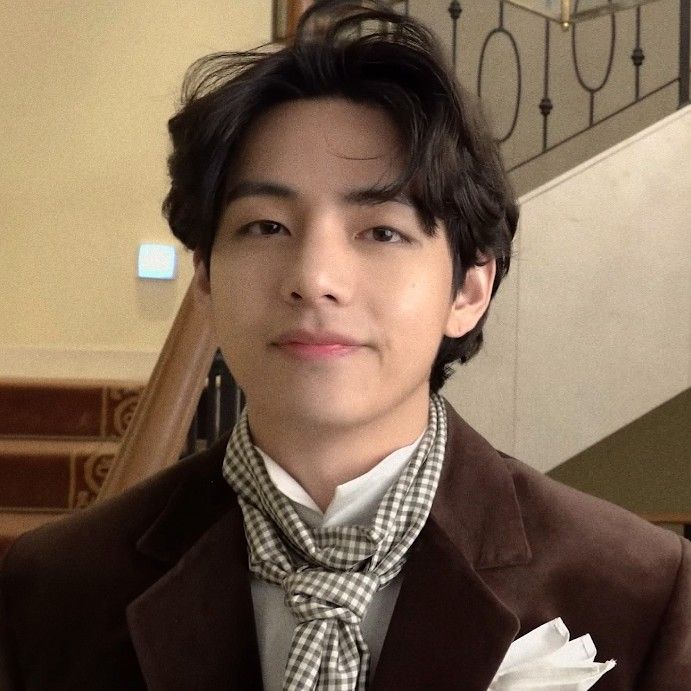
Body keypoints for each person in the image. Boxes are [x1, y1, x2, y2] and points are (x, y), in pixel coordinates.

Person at [1, 2, 689, 689]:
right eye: (266, 226)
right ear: (206, 279)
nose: (314, 279)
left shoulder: (641, 591)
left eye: (381, 231)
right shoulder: (51, 590)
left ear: (469, 288)